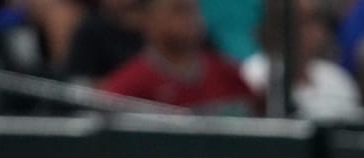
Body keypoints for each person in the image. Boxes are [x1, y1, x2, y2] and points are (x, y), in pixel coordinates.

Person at [99, 0, 256, 115]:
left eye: (194, 10)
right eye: (178, 11)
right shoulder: (126, 89)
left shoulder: (229, 75)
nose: (190, 20)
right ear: (149, 20)